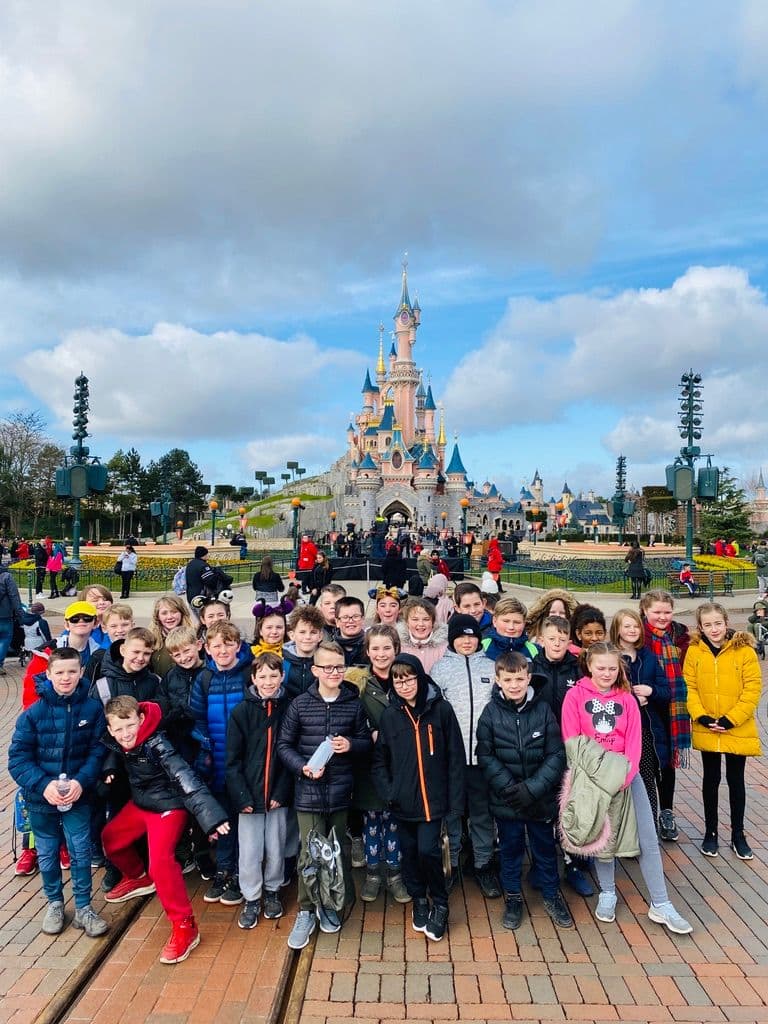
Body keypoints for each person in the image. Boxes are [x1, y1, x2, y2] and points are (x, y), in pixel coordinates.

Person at [560, 642, 693, 935]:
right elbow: (573, 740)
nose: (606, 673)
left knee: (647, 838)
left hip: (625, 777)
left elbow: (634, 742)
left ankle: (661, 902)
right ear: (589, 666)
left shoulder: (627, 698)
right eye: (601, 667)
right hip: (592, 780)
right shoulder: (574, 696)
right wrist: (601, 776)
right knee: (602, 838)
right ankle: (607, 892)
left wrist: (623, 775)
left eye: (612, 668)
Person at [101, 695, 229, 963]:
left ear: (141, 720)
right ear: (110, 729)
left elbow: (186, 779)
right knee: (111, 838)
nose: (126, 734)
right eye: (119, 729)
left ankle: (185, 926)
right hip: (142, 803)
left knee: (161, 864)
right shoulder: (118, 741)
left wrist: (212, 818)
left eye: (130, 726)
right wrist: (109, 769)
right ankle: (138, 876)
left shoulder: (158, 744)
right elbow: (115, 752)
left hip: (169, 807)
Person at [277, 641, 372, 949]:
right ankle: (306, 909)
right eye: (328, 667)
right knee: (310, 852)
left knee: (337, 849)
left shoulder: (353, 703)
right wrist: (302, 767)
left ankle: (331, 903)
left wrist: (353, 746)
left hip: (342, 791)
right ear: (315, 670)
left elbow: (364, 742)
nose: (335, 672)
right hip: (309, 791)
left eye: (340, 667)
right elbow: (284, 746)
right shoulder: (300, 704)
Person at [8, 648, 108, 937]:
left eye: (72, 672)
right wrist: (44, 785)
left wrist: (81, 782)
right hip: (42, 800)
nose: (66, 678)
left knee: (80, 851)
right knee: (48, 854)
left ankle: (84, 907)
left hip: (78, 796)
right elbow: (18, 760)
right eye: (60, 672)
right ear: (49, 674)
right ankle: (54, 903)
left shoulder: (91, 710)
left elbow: (97, 751)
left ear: (81, 673)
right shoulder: (33, 714)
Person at [476, 651, 572, 930]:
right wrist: (510, 788)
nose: (515, 685)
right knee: (510, 851)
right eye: (508, 679)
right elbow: (486, 755)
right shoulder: (490, 713)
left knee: (544, 849)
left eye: (519, 678)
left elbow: (556, 754)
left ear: (528, 677)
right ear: (498, 680)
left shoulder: (542, 711)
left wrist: (533, 788)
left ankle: (552, 895)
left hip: (539, 799)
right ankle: (514, 898)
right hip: (507, 801)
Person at [372, 654, 465, 942]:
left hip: (435, 803)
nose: (405, 684)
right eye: (398, 679)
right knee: (409, 854)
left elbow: (455, 757)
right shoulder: (390, 715)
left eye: (410, 677)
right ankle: (419, 900)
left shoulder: (441, 710)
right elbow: (380, 761)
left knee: (429, 852)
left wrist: (455, 802)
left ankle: (440, 902)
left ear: (420, 677)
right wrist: (390, 793)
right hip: (403, 803)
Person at [684, 603, 762, 860]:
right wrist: (702, 716)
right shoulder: (695, 651)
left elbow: (752, 690)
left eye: (718, 623)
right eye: (708, 625)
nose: (714, 629)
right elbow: (690, 687)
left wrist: (731, 719)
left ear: (726, 622)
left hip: (735, 725)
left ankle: (738, 834)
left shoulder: (745, 651)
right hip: (708, 724)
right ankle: (711, 833)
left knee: (736, 780)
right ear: (700, 627)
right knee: (711, 779)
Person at [431, 614, 499, 898]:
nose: (467, 641)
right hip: (453, 759)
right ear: (452, 639)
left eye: (472, 636)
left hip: (483, 756)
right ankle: (453, 862)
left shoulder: (491, 666)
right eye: (461, 636)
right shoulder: (440, 669)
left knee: (482, 814)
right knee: (453, 813)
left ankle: (483, 864)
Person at [344, 625, 410, 905]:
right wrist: (368, 730)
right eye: (375, 649)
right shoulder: (358, 683)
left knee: (395, 821)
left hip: (401, 764)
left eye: (387, 648)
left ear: (396, 649)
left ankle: (395, 874)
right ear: (367, 651)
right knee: (372, 821)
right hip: (370, 765)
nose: (381, 654)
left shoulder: (406, 678)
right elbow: (349, 715)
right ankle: (373, 874)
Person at [225, 653, 291, 928]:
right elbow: (232, 759)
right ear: (253, 678)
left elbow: (291, 754)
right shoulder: (242, 712)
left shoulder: (288, 708)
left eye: (273, 676)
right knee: (250, 850)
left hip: (276, 793)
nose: (268, 682)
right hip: (249, 794)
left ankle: (273, 890)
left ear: (282, 677)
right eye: (262, 676)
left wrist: (281, 792)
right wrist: (241, 796)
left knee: (276, 846)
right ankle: (251, 896)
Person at [189, 621, 253, 904]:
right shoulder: (204, 679)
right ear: (208, 649)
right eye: (217, 645)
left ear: (238, 646)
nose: (223, 650)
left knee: (245, 820)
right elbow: (197, 718)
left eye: (229, 644)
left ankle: (241, 872)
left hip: (244, 762)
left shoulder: (249, 675)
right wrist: (206, 746)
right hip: (216, 760)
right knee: (224, 819)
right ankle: (224, 869)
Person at [610, 609, 670, 826]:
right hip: (617, 731)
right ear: (617, 629)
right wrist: (633, 699)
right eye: (627, 626)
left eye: (636, 626)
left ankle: (649, 830)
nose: (632, 630)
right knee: (618, 782)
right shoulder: (610, 657)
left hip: (645, 729)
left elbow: (666, 692)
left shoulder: (649, 657)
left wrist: (651, 691)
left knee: (646, 780)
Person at [639, 590, 691, 843]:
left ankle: (666, 811)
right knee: (649, 762)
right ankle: (646, 814)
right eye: (657, 612)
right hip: (649, 706)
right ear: (645, 611)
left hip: (673, 709)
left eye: (667, 612)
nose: (662, 617)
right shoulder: (640, 637)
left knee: (669, 762)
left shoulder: (681, 638)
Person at [283, 605, 325, 699]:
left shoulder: (326, 662)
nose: (307, 637)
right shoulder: (281, 661)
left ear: (320, 636)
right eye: (302, 632)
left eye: (313, 632)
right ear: (292, 635)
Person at [397, 597, 449, 673]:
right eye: (415, 619)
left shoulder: (445, 648)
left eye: (426, 619)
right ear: (407, 622)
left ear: (433, 622)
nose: (421, 624)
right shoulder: (398, 646)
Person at [148, 594, 194, 677]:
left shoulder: (192, 637)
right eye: (164, 613)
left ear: (182, 613)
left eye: (174, 612)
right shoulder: (152, 640)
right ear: (157, 616)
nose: (169, 617)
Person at [483, 597, 538, 664]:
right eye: (506, 621)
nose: (511, 627)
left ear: (524, 624)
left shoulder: (534, 650)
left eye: (517, 622)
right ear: (494, 621)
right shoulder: (482, 646)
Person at [0, 559, 24, 674]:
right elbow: (14, 596)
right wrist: (20, 614)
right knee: (4, 639)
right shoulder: (6, 576)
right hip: (5, 614)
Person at [332, 596, 368, 666]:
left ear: (363, 619)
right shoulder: (329, 650)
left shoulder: (372, 647)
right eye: (345, 617)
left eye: (356, 616)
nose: (351, 621)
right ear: (337, 622)